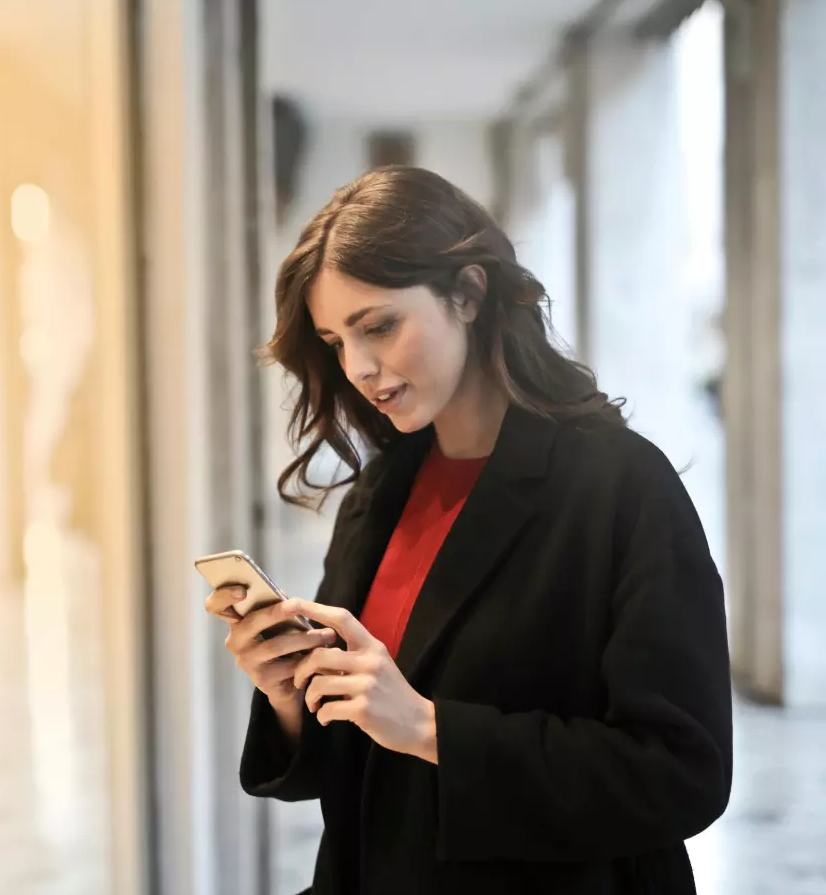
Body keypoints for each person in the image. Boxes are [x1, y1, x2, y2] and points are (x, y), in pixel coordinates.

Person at [205, 166, 732, 894]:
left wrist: (430, 729)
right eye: (334, 342)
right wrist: (293, 695)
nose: (358, 368)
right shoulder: (381, 492)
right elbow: (356, 755)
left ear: (469, 293)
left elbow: (683, 772)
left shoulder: (619, 486)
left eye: (379, 326)